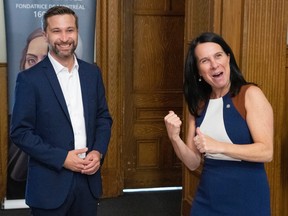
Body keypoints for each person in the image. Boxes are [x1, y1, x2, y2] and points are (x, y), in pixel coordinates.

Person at [10, 6, 112, 216]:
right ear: (46, 35)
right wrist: (62, 158)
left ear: (77, 32)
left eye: (70, 30)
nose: (64, 38)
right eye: (57, 31)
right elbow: (20, 132)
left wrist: (97, 151)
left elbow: (103, 117)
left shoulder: (92, 73)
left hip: (87, 182)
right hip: (49, 185)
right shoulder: (29, 79)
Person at [164, 32, 273, 216]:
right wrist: (174, 138)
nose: (214, 64)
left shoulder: (250, 94)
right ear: (198, 71)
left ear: (228, 58)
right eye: (205, 60)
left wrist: (219, 147)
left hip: (247, 197)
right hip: (209, 197)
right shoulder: (199, 104)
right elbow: (193, 163)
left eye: (218, 55)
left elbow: (266, 152)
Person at [7, 27, 48, 199]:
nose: (37, 68)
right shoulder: (11, 120)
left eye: (45, 61)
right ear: (23, 63)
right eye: (31, 60)